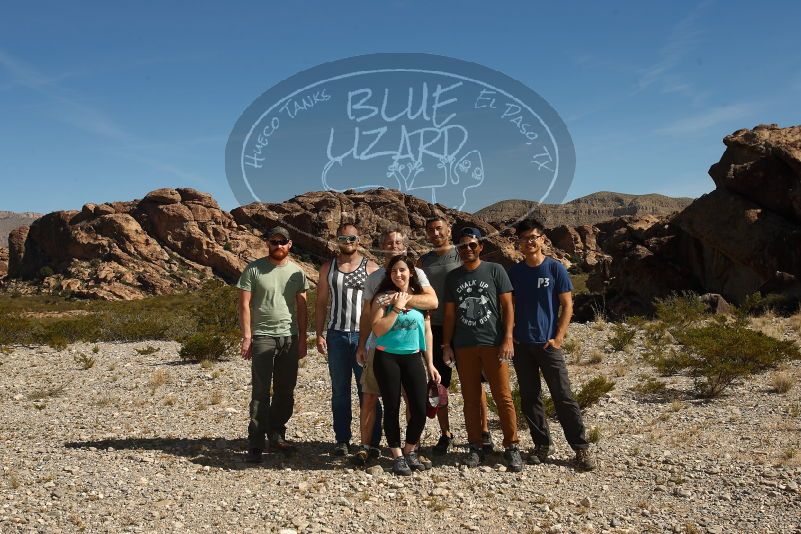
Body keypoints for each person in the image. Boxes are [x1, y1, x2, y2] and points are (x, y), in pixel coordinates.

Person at [508, 219, 597, 470]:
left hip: (548, 344)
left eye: (533, 237)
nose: (529, 242)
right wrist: (512, 333)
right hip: (522, 344)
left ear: (542, 239)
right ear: (520, 243)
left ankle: (580, 448)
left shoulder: (555, 268)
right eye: (524, 238)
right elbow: (510, 305)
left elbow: (567, 305)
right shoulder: (515, 272)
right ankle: (541, 445)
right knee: (529, 396)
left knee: (563, 396)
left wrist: (558, 337)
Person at [351, 227, 438, 466]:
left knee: (414, 403)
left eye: (398, 242)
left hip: (411, 353)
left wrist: (402, 298)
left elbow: (432, 302)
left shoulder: (418, 275)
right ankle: (369, 446)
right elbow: (368, 316)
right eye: (389, 242)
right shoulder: (375, 279)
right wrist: (361, 344)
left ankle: (412, 448)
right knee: (373, 398)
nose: (394, 246)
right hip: (381, 350)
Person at [442, 227, 523, 472]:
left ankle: (512, 446)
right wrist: (447, 345)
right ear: (457, 249)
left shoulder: (495, 270)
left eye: (472, 245)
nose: (468, 249)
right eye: (463, 245)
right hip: (464, 345)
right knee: (470, 399)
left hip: (493, 342)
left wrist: (508, 337)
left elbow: (508, 306)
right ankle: (475, 446)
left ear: (481, 247)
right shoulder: (453, 278)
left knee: (503, 396)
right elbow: (449, 314)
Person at [420, 215, 492, 456]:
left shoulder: (461, 253)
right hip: (435, 328)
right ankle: (445, 433)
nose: (435, 233)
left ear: (448, 230)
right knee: (439, 384)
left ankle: (484, 431)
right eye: (431, 230)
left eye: (439, 228)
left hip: (464, 327)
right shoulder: (424, 261)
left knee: (474, 383)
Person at [237, 226, 309, 463]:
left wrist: (302, 339)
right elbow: (244, 305)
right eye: (273, 241)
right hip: (262, 337)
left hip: (289, 337)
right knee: (260, 391)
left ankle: (276, 433)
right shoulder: (254, 269)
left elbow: (302, 307)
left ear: (290, 244)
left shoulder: (297, 272)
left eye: (282, 241)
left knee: (285, 392)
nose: (278, 245)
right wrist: (247, 336)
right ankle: (256, 442)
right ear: (268, 243)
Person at [315, 222, 382, 456]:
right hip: (337, 336)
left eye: (351, 239)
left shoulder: (372, 268)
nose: (347, 243)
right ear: (337, 241)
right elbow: (322, 302)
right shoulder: (327, 268)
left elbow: (379, 304)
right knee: (340, 390)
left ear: (359, 240)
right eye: (343, 239)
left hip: (364, 337)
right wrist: (318, 333)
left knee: (369, 390)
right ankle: (342, 440)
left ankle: (373, 441)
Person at [370, 254, 441, 475]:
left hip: (412, 357)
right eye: (393, 271)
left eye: (402, 270)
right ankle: (397, 456)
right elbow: (378, 329)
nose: (398, 274)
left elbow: (427, 331)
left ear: (411, 272)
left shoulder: (420, 300)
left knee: (419, 409)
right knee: (392, 407)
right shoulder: (382, 298)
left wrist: (430, 362)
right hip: (386, 357)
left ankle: (410, 450)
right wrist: (397, 308)